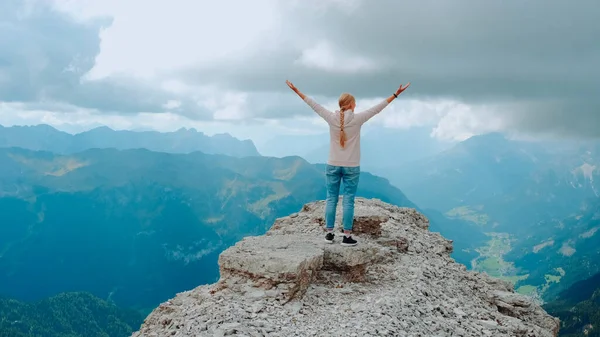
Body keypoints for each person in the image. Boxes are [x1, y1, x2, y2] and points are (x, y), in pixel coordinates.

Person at [286, 80, 411, 246]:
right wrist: (396, 94)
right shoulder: (358, 119)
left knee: (331, 198)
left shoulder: (331, 118)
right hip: (351, 166)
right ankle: (346, 236)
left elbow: (313, 104)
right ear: (352, 105)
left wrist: (296, 90)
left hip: (332, 164)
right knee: (348, 200)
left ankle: (329, 234)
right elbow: (378, 108)